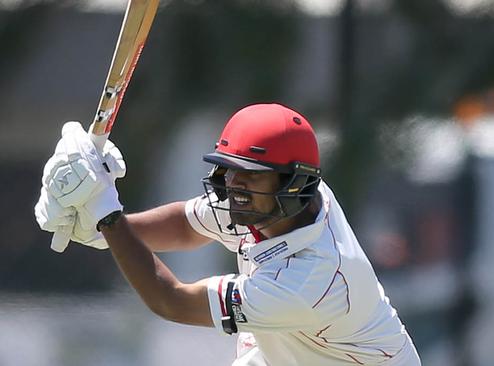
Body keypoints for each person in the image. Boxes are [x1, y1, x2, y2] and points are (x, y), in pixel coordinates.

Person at [35, 103, 421, 365]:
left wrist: (106, 214)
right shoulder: (278, 204)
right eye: (227, 169)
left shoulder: (311, 279)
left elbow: (171, 301)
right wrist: (96, 228)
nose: (232, 183)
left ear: (292, 182)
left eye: (248, 174)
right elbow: (187, 226)